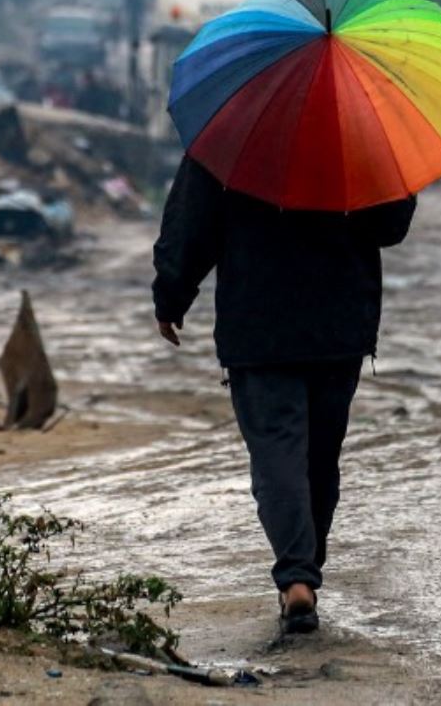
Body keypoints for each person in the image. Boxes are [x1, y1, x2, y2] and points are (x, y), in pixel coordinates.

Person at [151, 156, 416, 636]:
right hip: (339, 324)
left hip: (257, 327)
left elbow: (191, 224)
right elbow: (390, 226)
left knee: (277, 452)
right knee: (320, 457)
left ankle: (296, 576)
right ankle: (304, 572)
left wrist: (171, 296)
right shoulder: (360, 139)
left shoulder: (230, 136)